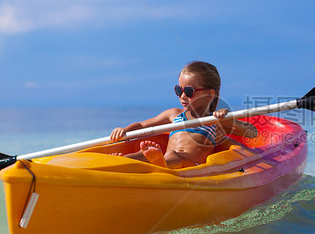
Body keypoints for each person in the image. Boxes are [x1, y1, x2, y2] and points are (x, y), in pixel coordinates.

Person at [110, 61, 259, 168]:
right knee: (142, 154)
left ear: (209, 94)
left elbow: (252, 132)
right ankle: (122, 163)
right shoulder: (174, 114)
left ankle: (160, 163)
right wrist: (124, 130)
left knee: (172, 156)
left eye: (189, 91)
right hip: (166, 157)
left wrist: (228, 119)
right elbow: (142, 125)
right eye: (178, 90)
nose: (182, 96)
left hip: (190, 165)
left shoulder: (213, 120)